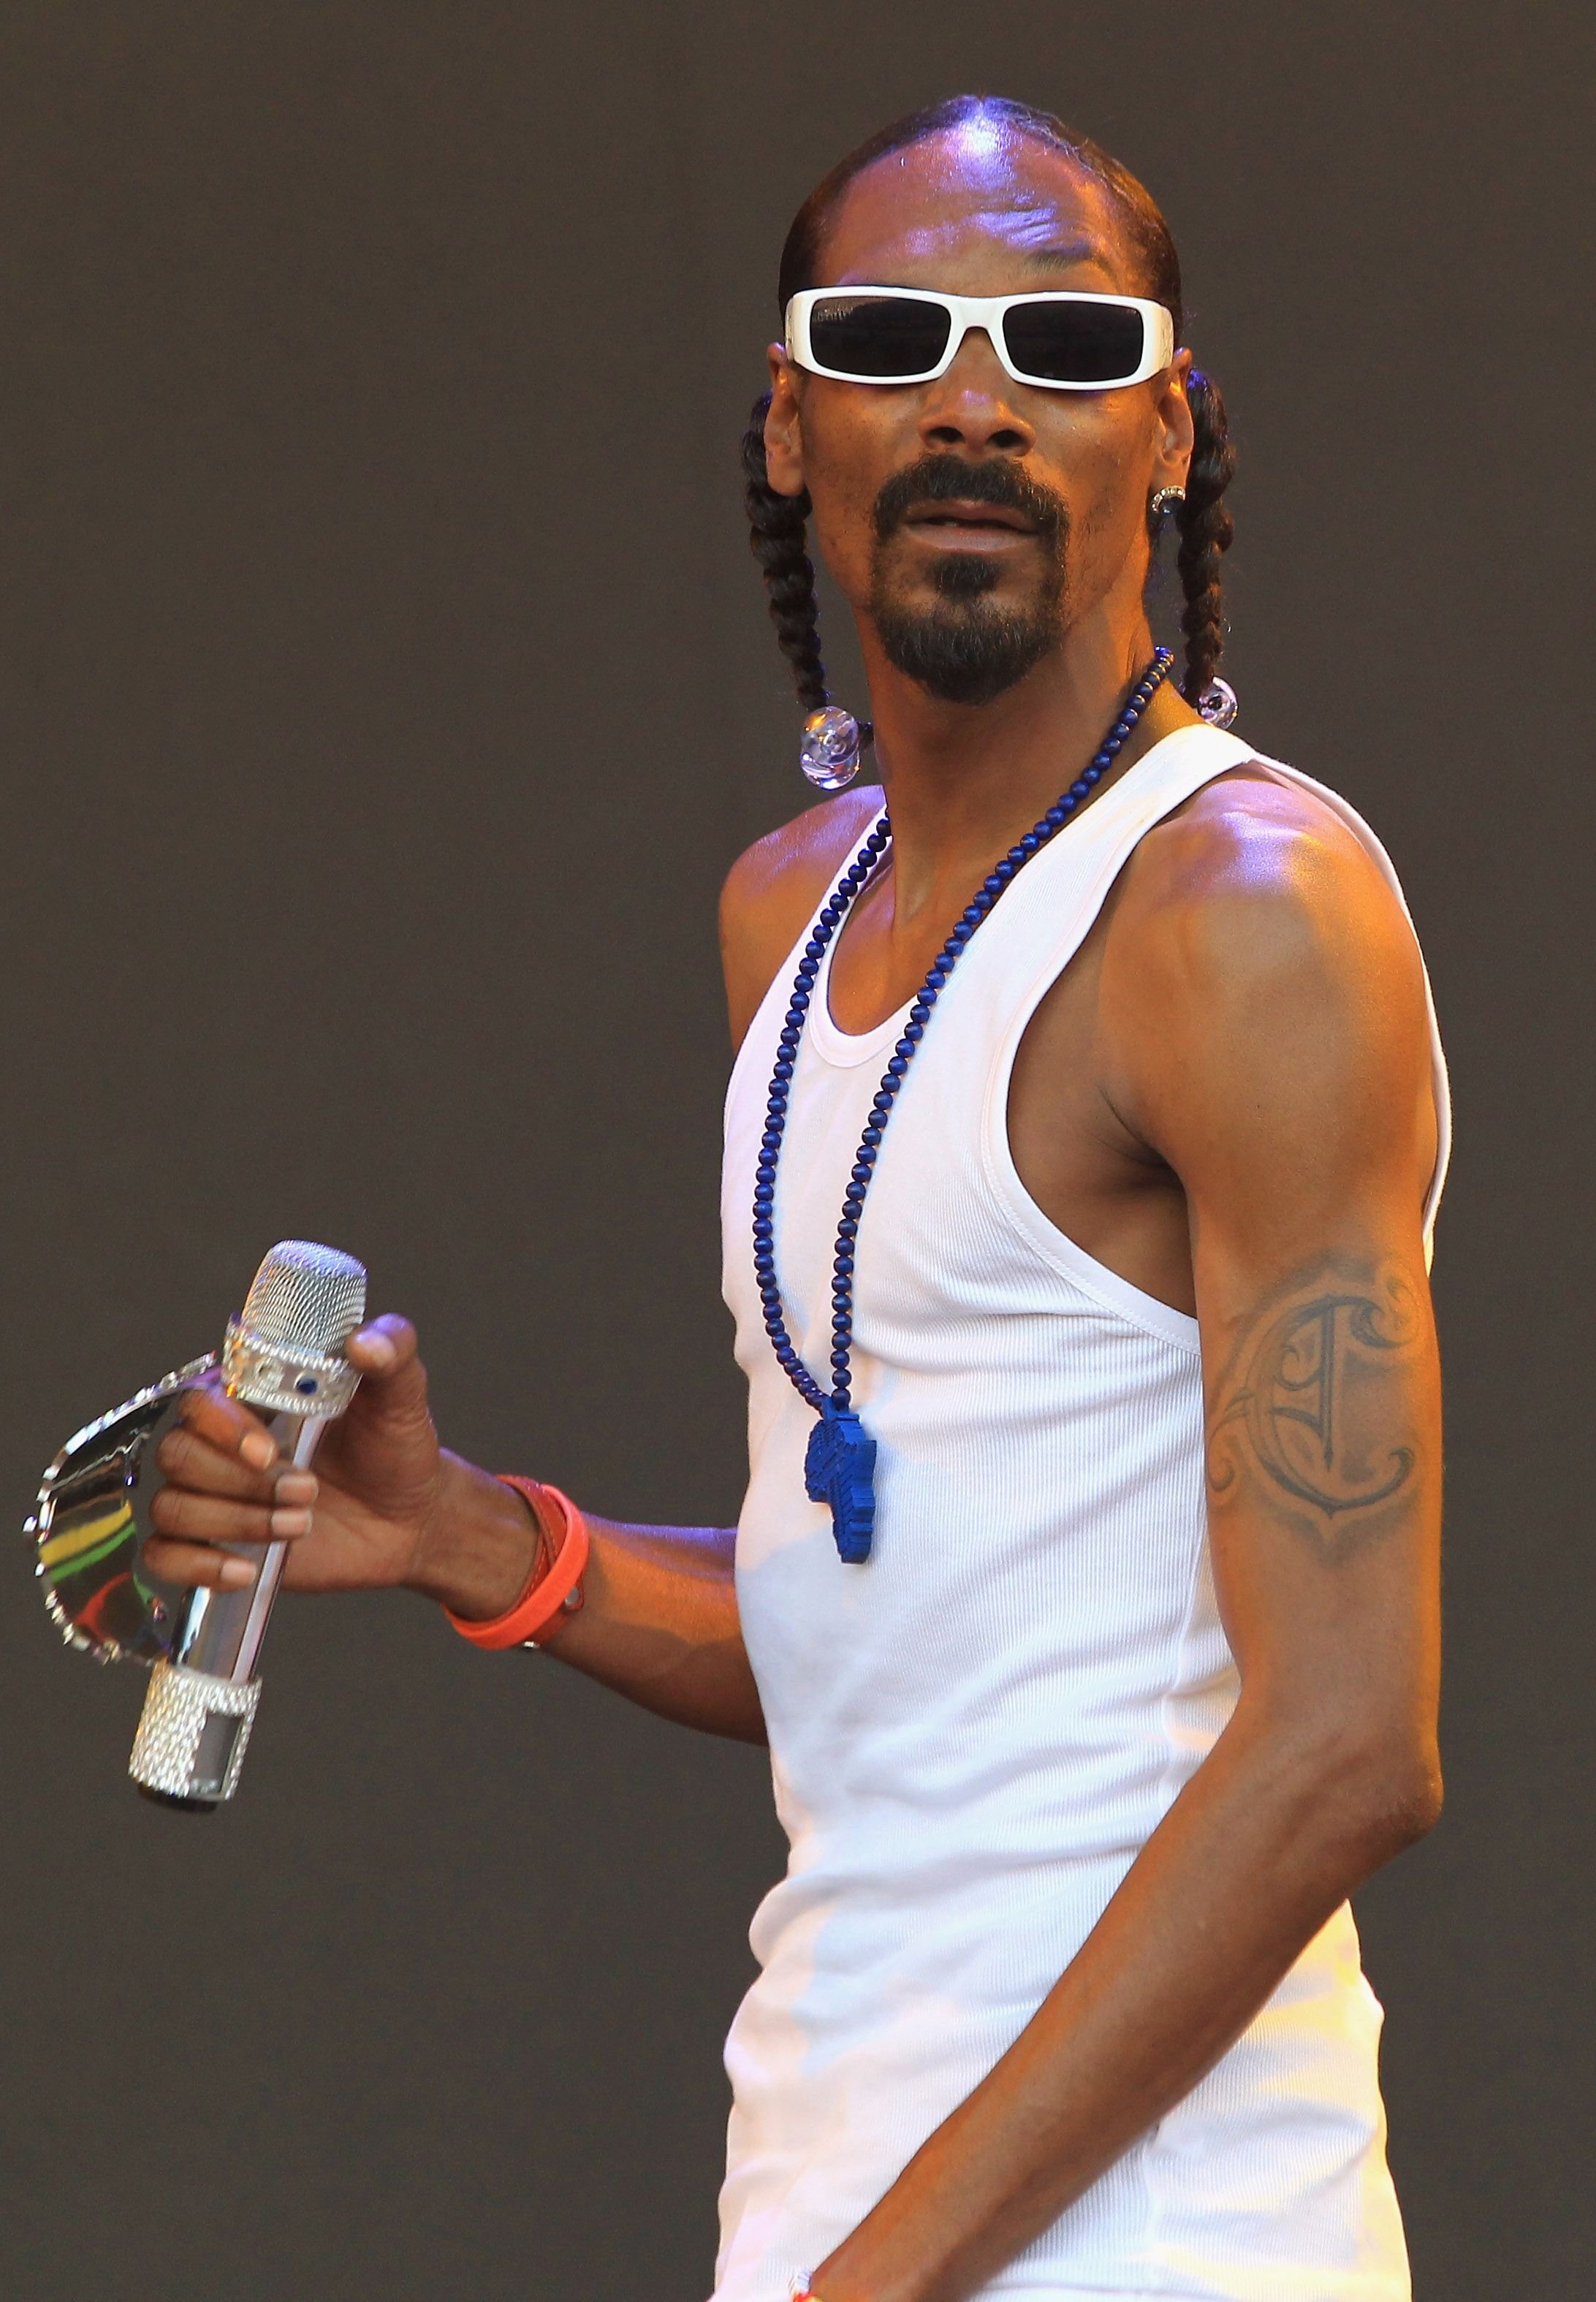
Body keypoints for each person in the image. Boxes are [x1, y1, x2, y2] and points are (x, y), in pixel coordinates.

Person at [144, 94, 1449, 2302]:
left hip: (1164, 2236)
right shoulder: (790, 915)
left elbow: (1344, 1742)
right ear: (786, 425)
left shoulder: (1243, 909)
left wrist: (872, 2285)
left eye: (1059, 341)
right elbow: (908, 1631)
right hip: (845, 2185)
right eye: (888, 333)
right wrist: (477, 1536)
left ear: (1170, 432)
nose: (969, 399)